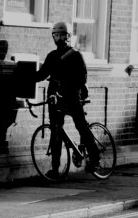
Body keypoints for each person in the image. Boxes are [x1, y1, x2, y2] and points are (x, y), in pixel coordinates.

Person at [35, 21, 100, 176]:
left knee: (81, 126)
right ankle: (55, 169)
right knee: (56, 131)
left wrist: (66, 85)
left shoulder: (76, 55)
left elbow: (82, 78)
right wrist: (23, 76)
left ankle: (95, 158)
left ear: (68, 36)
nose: (58, 38)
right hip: (55, 99)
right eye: (56, 35)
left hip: (72, 97)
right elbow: (41, 74)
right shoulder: (52, 56)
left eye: (61, 35)